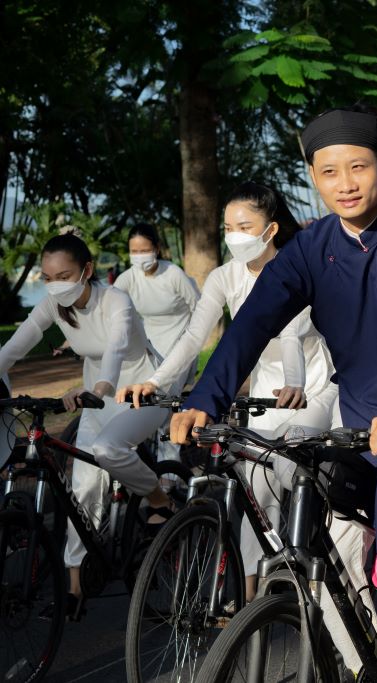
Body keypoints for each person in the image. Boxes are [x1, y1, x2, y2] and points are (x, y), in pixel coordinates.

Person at [167, 105, 377, 683]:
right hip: (360, 403)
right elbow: (250, 324)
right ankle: (362, 658)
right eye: (328, 173)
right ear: (314, 180)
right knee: (332, 529)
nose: (346, 183)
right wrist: (205, 399)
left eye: (359, 167)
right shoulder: (309, 247)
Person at [117, 181, 339, 600]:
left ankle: (325, 557)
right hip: (266, 395)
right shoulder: (224, 277)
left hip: (312, 387)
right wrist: (157, 381)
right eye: (227, 227)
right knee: (257, 494)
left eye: (243, 226)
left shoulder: (297, 267)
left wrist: (295, 382)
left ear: (270, 230)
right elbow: (193, 337)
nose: (233, 235)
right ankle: (250, 600)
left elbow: (292, 335)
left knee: (292, 468)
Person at [0, 233, 175, 618]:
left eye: (64, 275)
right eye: (47, 277)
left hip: (140, 387)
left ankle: (157, 498)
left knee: (108, 451)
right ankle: (75, 587)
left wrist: (99, 388)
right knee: (80, 488)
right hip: (95, 393)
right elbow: (19, 342)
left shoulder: (116, 299)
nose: (55, 284)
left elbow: (115, 346)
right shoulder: (53, 305)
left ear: (87, 271)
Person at [113, 223, 200, 462]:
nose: (140, 256)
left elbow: (200, 309)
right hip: (150, 346)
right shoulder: (128, 278)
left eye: (145, 250)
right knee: (131, 394)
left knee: (165, 399)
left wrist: (192, 342)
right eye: (135, 251)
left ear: (157, 249)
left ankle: (170, 466)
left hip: (179, 344)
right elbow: (106, 307)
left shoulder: (173, 274)